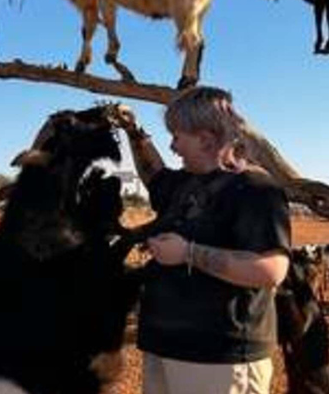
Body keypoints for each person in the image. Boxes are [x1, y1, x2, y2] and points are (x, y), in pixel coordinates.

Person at [113, 86, 291, 394]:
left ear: (206, 139)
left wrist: (189, 253)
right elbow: (153, 173)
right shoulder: (184, 183)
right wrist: (133, 131)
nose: (172, 146)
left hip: (219, 356)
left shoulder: (254, 189)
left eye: (177, 136)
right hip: (164, 346)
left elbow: (271, 270)